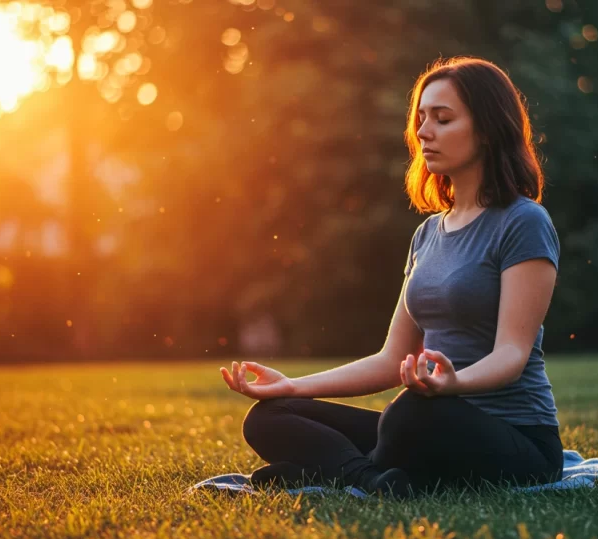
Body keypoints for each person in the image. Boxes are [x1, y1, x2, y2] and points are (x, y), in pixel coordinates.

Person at [218, 56, 563, 499]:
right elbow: (390, 360)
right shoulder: (427, 234)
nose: (423, 132)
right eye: (421, 119)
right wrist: (292, 386)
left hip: (517, 440)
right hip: (427, 421)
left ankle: (331, 470)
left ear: (487, 130)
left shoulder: (523, 222)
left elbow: (512, 353)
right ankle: (370, 479)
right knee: (271, 416)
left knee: (408, 415)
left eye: (443, 119)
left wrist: (453, 384)